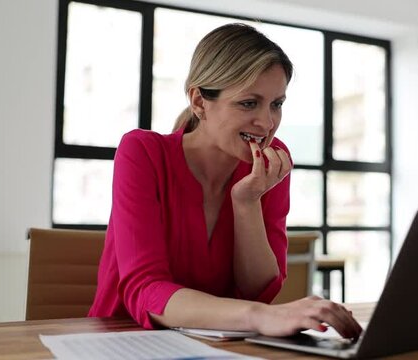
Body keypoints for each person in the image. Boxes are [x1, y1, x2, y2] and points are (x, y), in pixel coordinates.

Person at [89, 23, 362, 339]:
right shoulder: (143, 153)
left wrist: (247, 203)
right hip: (124, 342)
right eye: (249, 103)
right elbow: (146, 291)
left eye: (277, 104)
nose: (267, 122)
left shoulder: (271, 162)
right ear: (200, 101)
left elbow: (258, 291)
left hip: (215, 345)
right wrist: (260, 317)